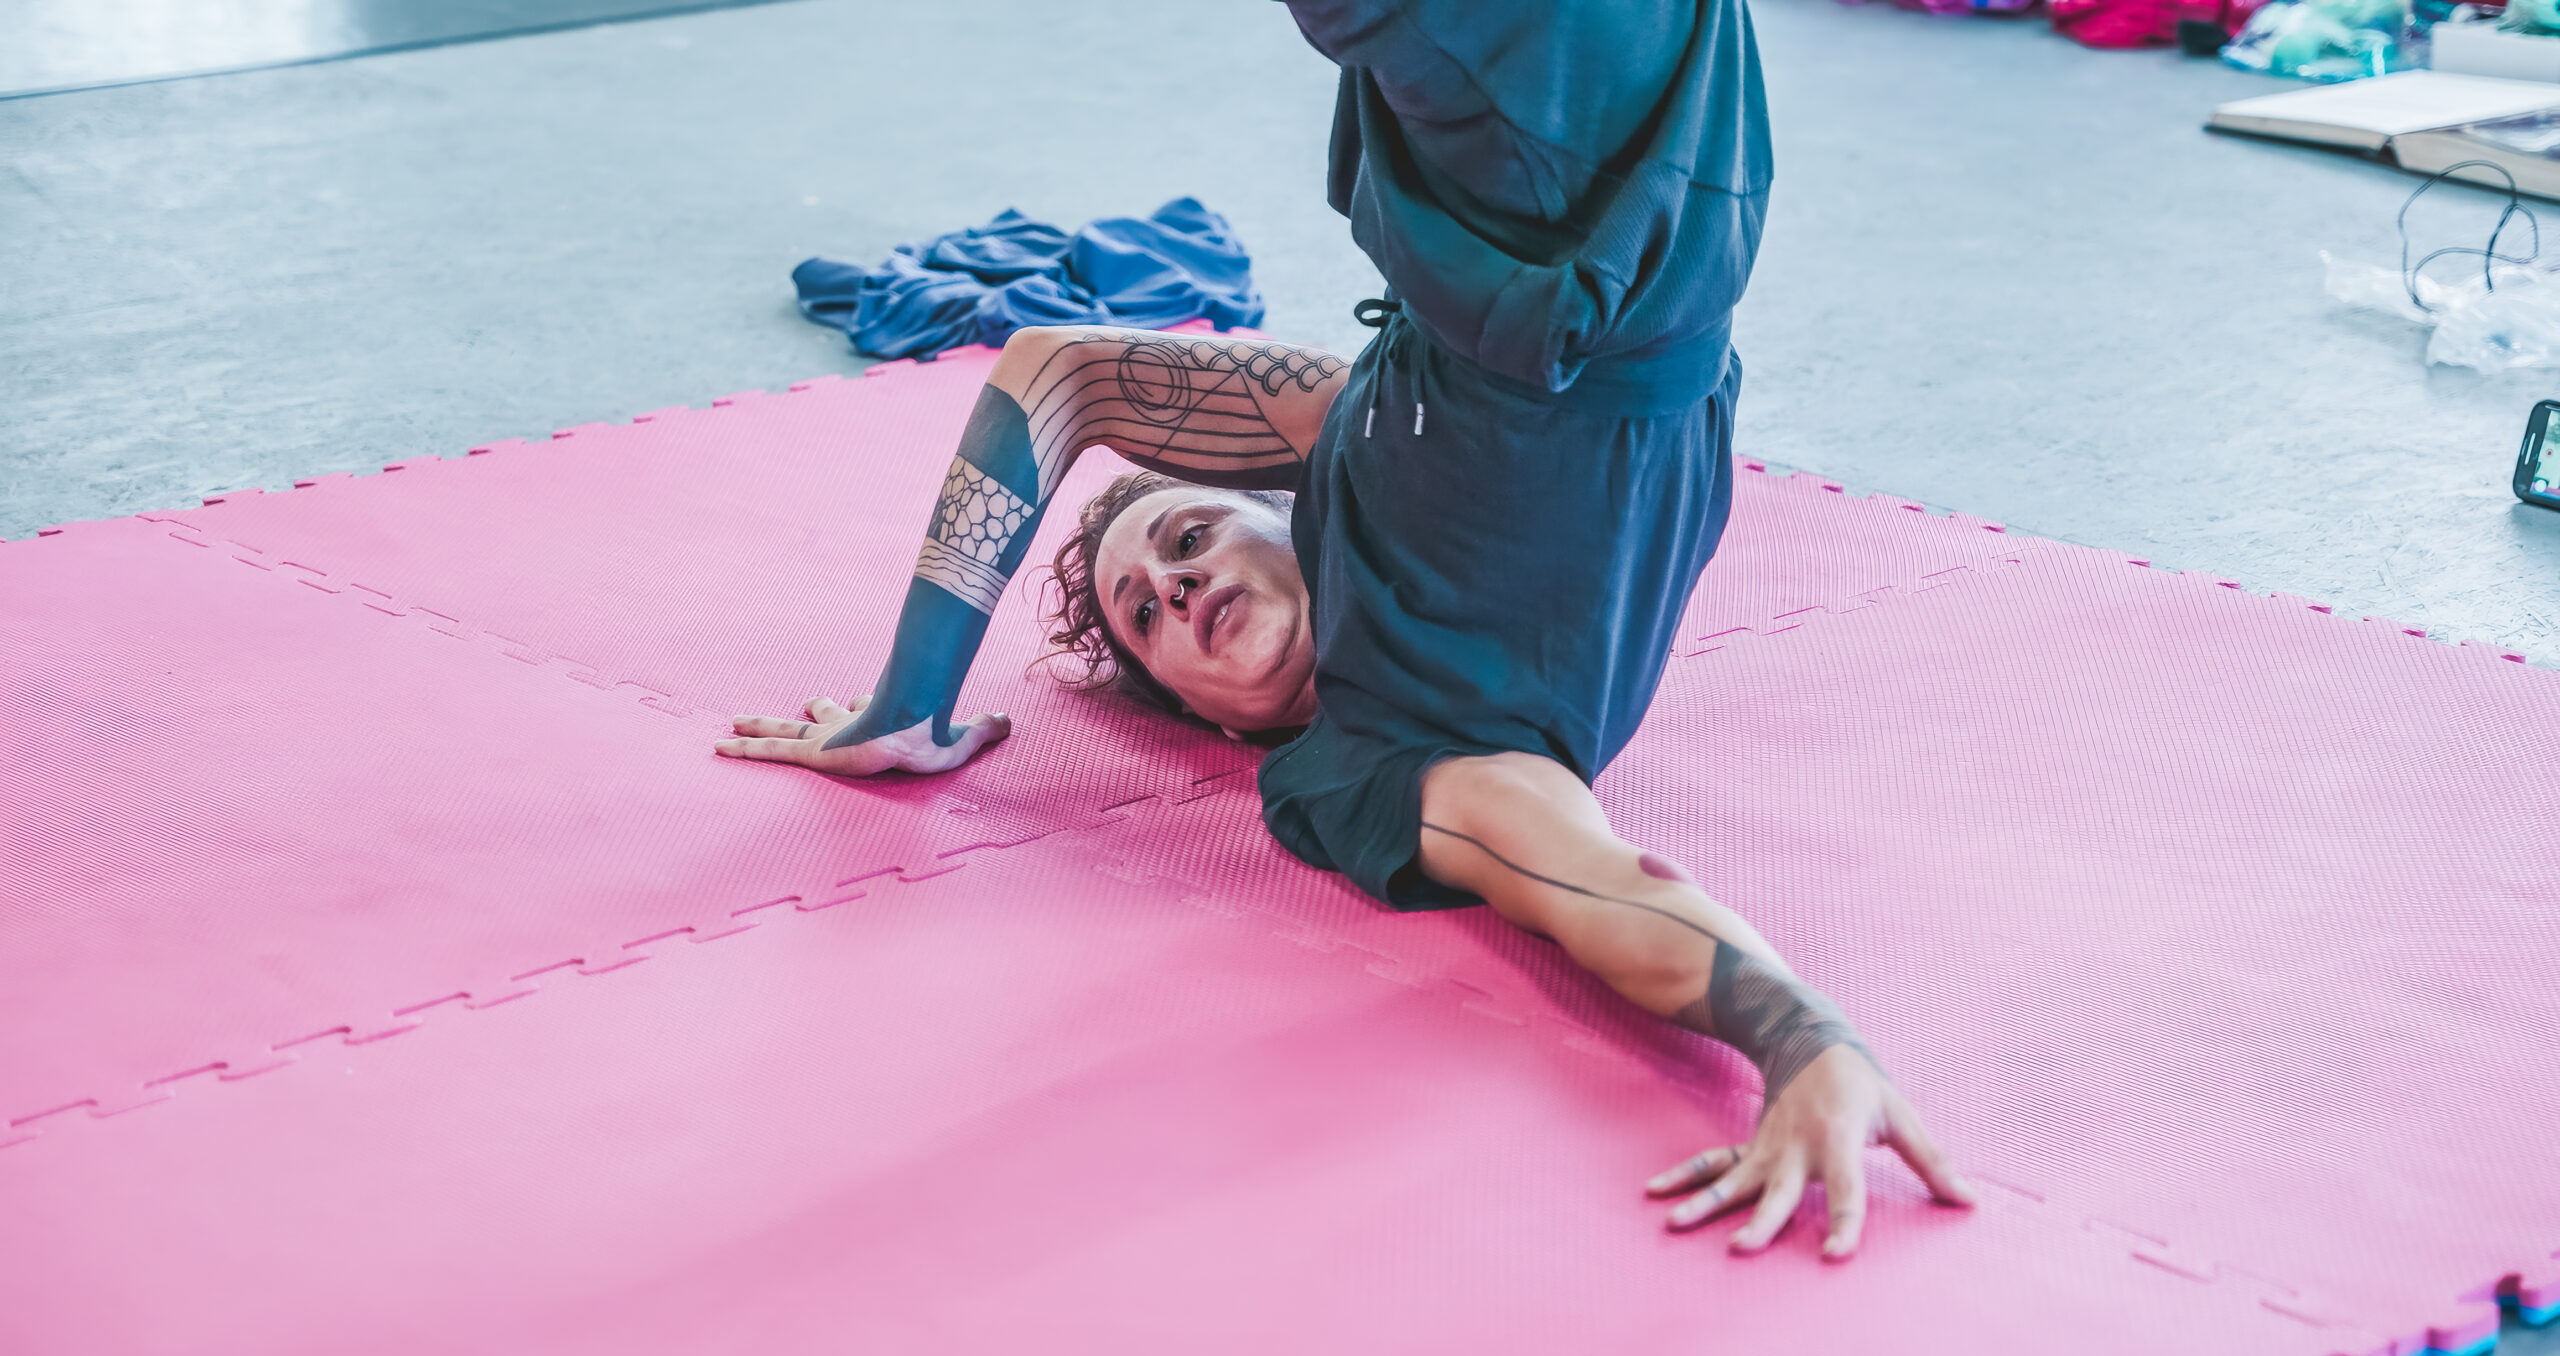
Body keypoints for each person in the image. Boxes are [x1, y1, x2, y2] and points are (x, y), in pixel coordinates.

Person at [717, 0, 1973, 1259]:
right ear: (1209, 718)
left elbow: (1056, 372)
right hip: (1643, 190)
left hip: (1511, 169)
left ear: (1279, 510)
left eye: (1189, 538)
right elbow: (1590, 881)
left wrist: (909, 705)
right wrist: (1804, 1039)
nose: (1177, 585)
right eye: (1146, 614)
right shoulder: (1397, 760)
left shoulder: (1343, 440)